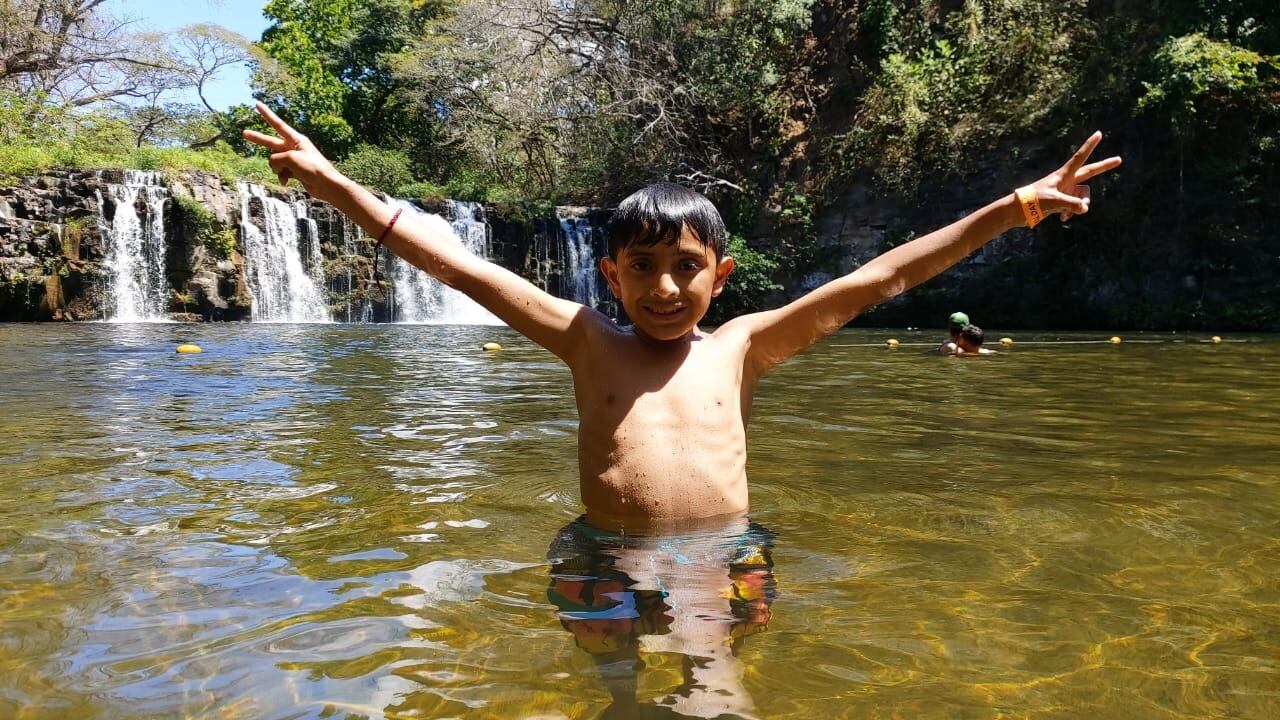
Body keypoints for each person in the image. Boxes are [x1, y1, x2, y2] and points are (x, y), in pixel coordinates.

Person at [244, 103, 1120, 528]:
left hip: (722, 558)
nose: (665, 288)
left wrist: (1014, 207)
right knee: (615, 692)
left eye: (686, 269)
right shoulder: (584, 340)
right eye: (643, 269)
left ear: (721, 276)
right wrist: (332, 184)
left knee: (717, 689)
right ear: (610, 277)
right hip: (605, 554)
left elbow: (880, 278)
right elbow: (459, 266)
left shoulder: (743, 347)